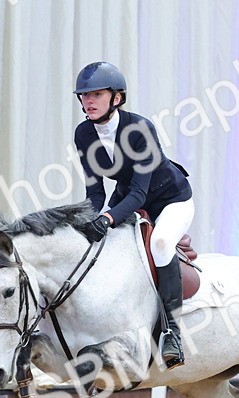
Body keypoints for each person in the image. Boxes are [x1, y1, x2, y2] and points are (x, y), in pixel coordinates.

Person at [72, 61, 193, 370]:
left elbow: (140, 194)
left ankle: (172, 333)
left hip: (170, 200)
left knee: (162, 243)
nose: (88, 101)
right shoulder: (84, 133)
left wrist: (109, 219)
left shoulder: (140, 129)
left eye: (97, 94)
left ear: (117, 98)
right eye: (84, 95)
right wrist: (87, 219)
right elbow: (95, 191)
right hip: (128, 198)